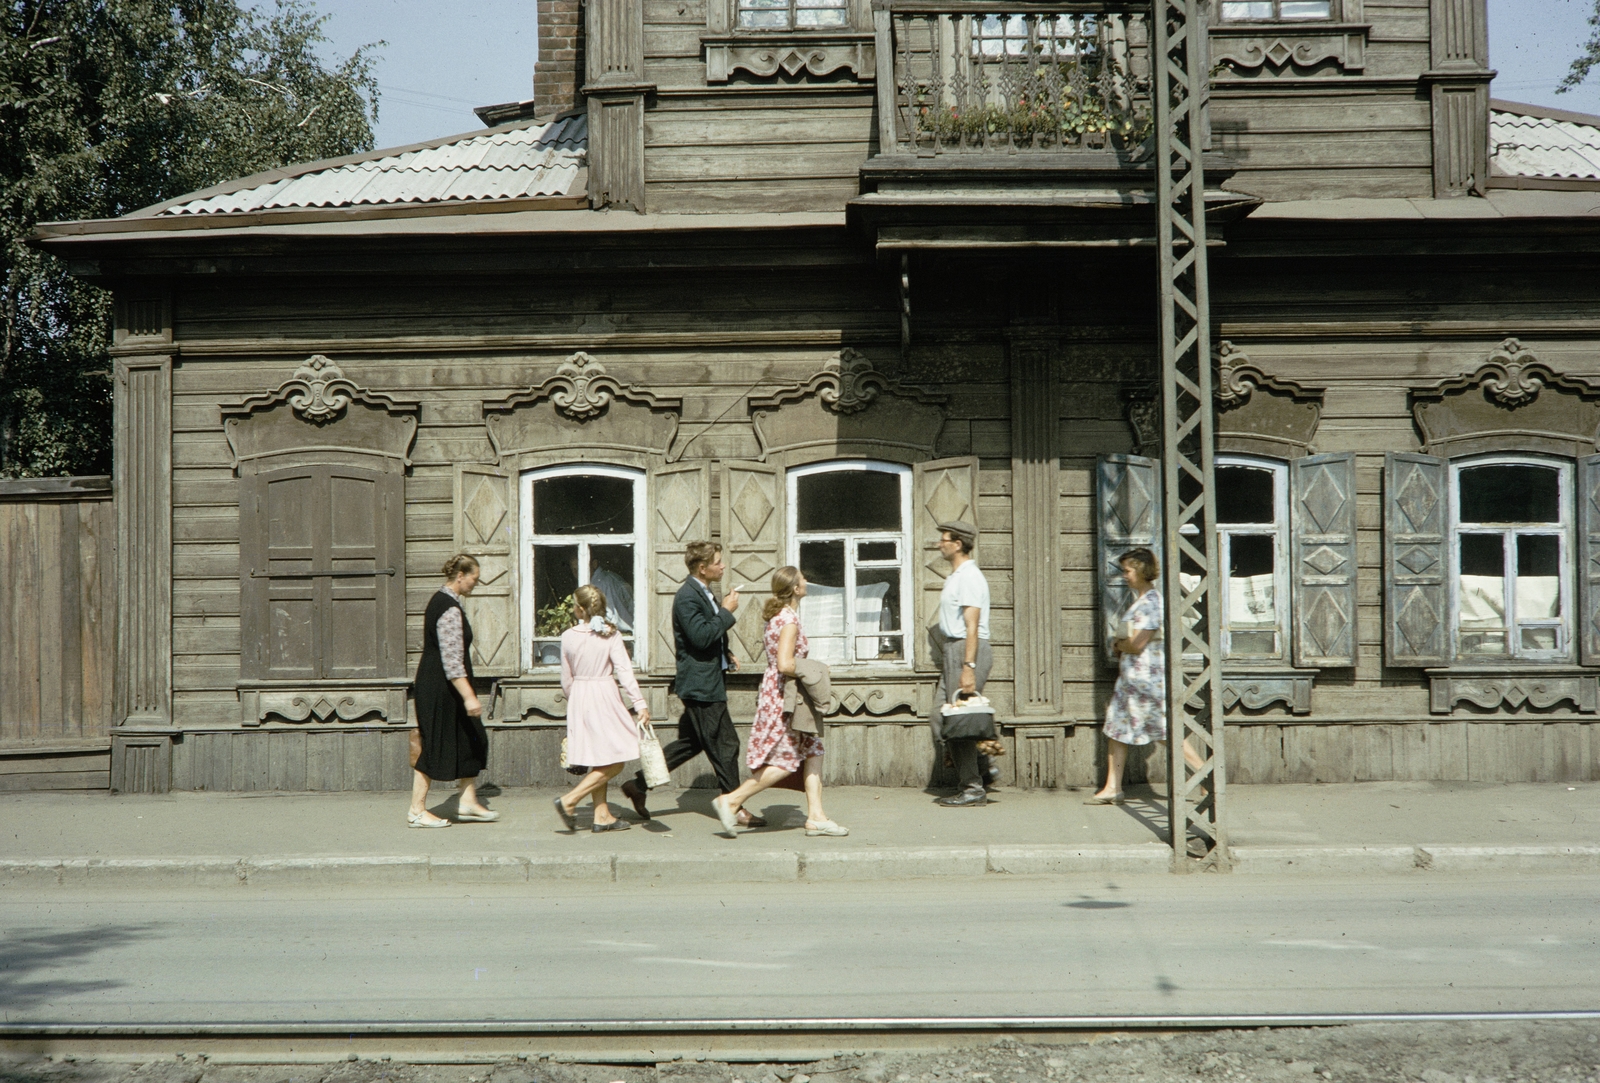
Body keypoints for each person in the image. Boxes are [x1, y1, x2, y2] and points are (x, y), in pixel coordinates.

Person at [620, 541, 765, 828]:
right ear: (703, 567)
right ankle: (733, 806)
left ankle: (637, 785)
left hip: (706, 678)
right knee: (726, 744)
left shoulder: (702, 590)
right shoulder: (687, 596)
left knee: (692, 743)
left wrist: (725, 652)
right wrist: (727, 611)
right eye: (718, 562)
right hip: (701, 685)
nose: (723, 566)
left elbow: (704, 635)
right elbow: (699, 637)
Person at [710, 567, 847, 838]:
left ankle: (816, 817)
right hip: (786, 697)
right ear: (795, 589)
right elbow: (785, 664)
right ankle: (732, 800)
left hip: (782, 693)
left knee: (813, 750)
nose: (807, 581)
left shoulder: (779, 616)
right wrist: (817, 669)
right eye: (803, 579)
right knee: (786, 759)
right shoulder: (789, 620)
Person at [1088, 547, 1204, 805]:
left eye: (1128, 571)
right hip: (1132, 680)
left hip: (1145, 682)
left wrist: (1118, 645)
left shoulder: (1152, 603)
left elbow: (1138, 643)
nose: (1125, 576)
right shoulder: (1141, 601)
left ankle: (1205, 777)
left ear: (1141, 571)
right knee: (1117, 729)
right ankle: (1112, 787)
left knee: (1164, 732)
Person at [552, 585, 649, 833]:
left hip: (579, 695)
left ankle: (601, 815)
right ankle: (570, 800)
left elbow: (566, 679)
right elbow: (625, 672)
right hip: (604, 694)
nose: (573, 608)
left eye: (574, 604)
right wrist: (639, 704)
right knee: (617, 759)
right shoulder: (610, 635)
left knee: (600, 757)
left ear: (581, 609)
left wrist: (576, 701)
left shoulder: (568, 636)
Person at [409, 554, 496, 827]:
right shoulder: (448, 608)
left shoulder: (448, 602)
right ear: (460, 575)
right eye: (474, 578)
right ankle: (416, 810)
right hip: (439, 688)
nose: (475, 584)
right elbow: (451, 660)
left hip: (447, 687)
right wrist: (469, 696)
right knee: (435, 746)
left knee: (473, 736)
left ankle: (467, 800)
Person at [930, 519, 995, 808]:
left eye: (944, 540)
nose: (939, 544)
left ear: (958, 545)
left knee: (958, 721)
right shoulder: (957, 575)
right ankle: (982, 769)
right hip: (954, 651)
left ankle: (972, 788)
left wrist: (968, 666)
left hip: (967, 650)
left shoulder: (969, 576)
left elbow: (972, 625)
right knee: (940, 717)